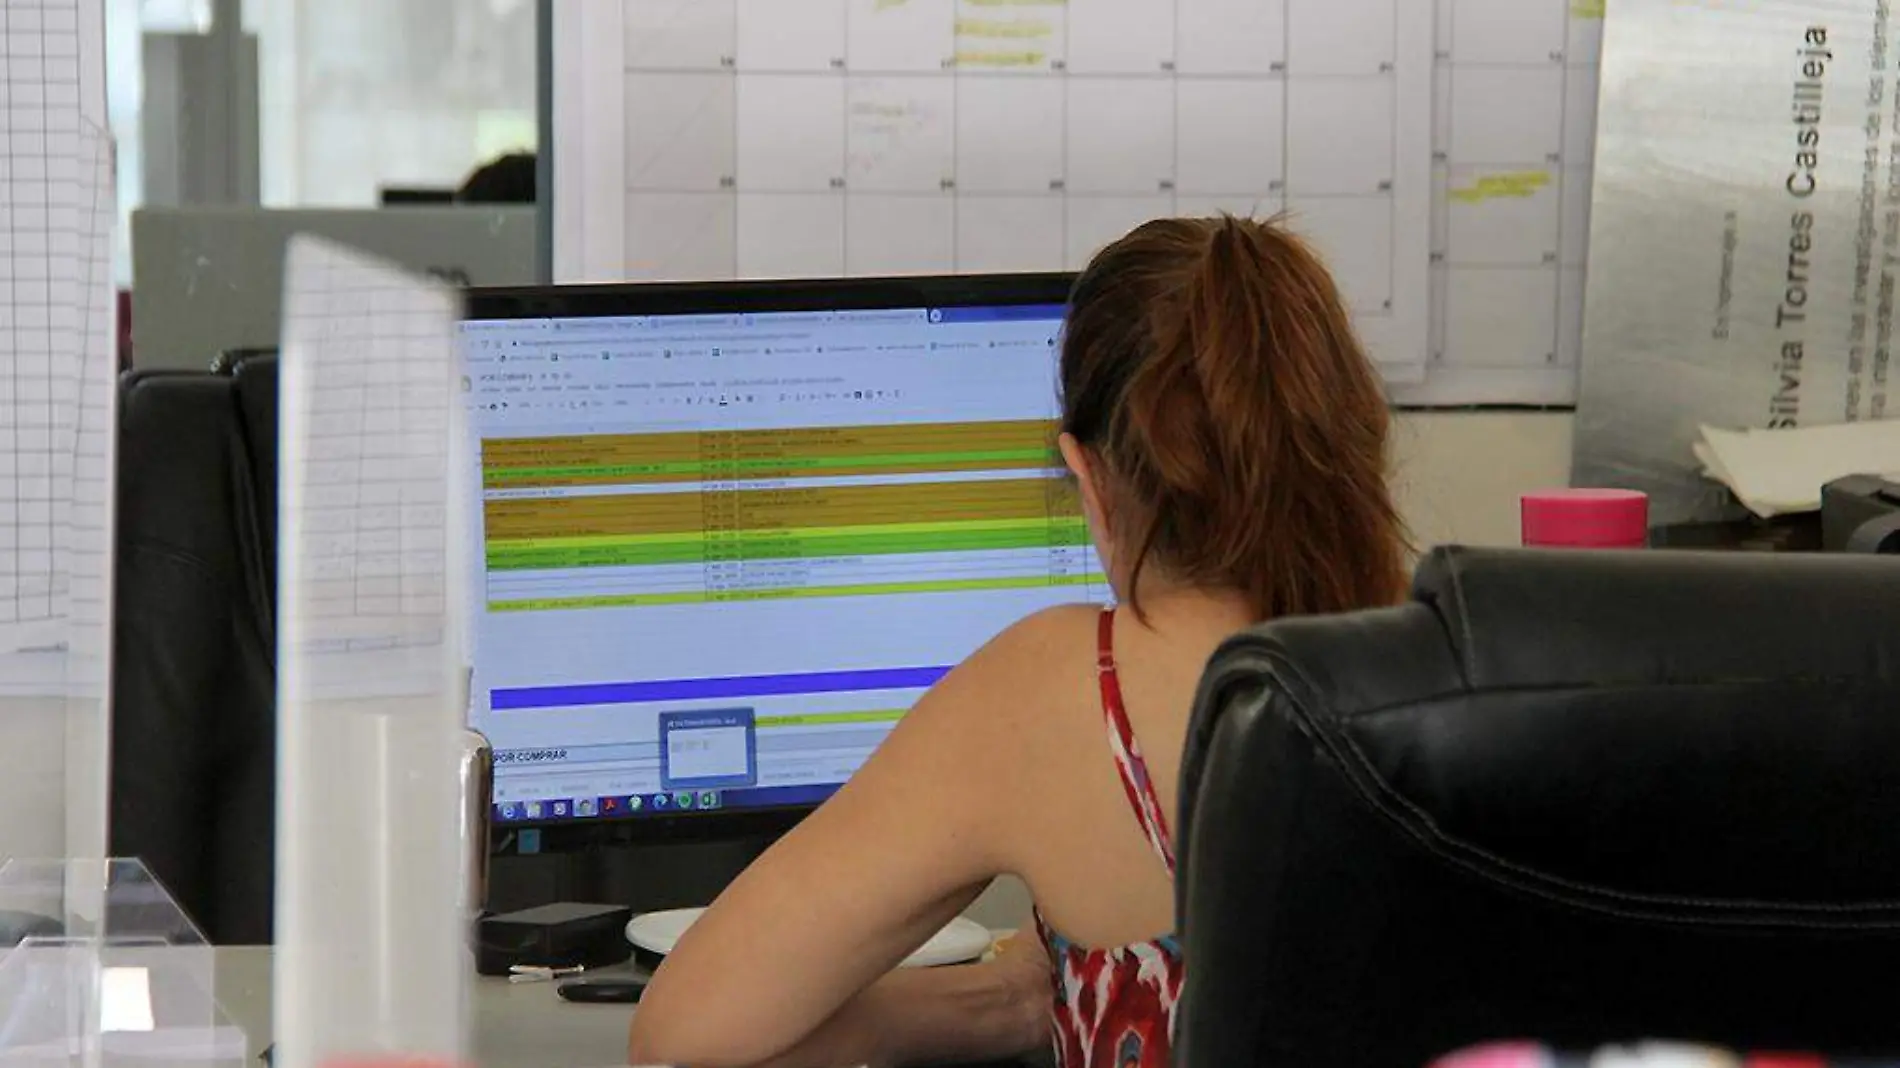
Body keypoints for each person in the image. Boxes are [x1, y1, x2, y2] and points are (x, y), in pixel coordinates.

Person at [626, 215, 1411, 1068]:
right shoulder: (1476, 662)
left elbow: (687, 1035)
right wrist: (1024, 995)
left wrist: (941, 1011)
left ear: (1090, 477)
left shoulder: (1066, 687)